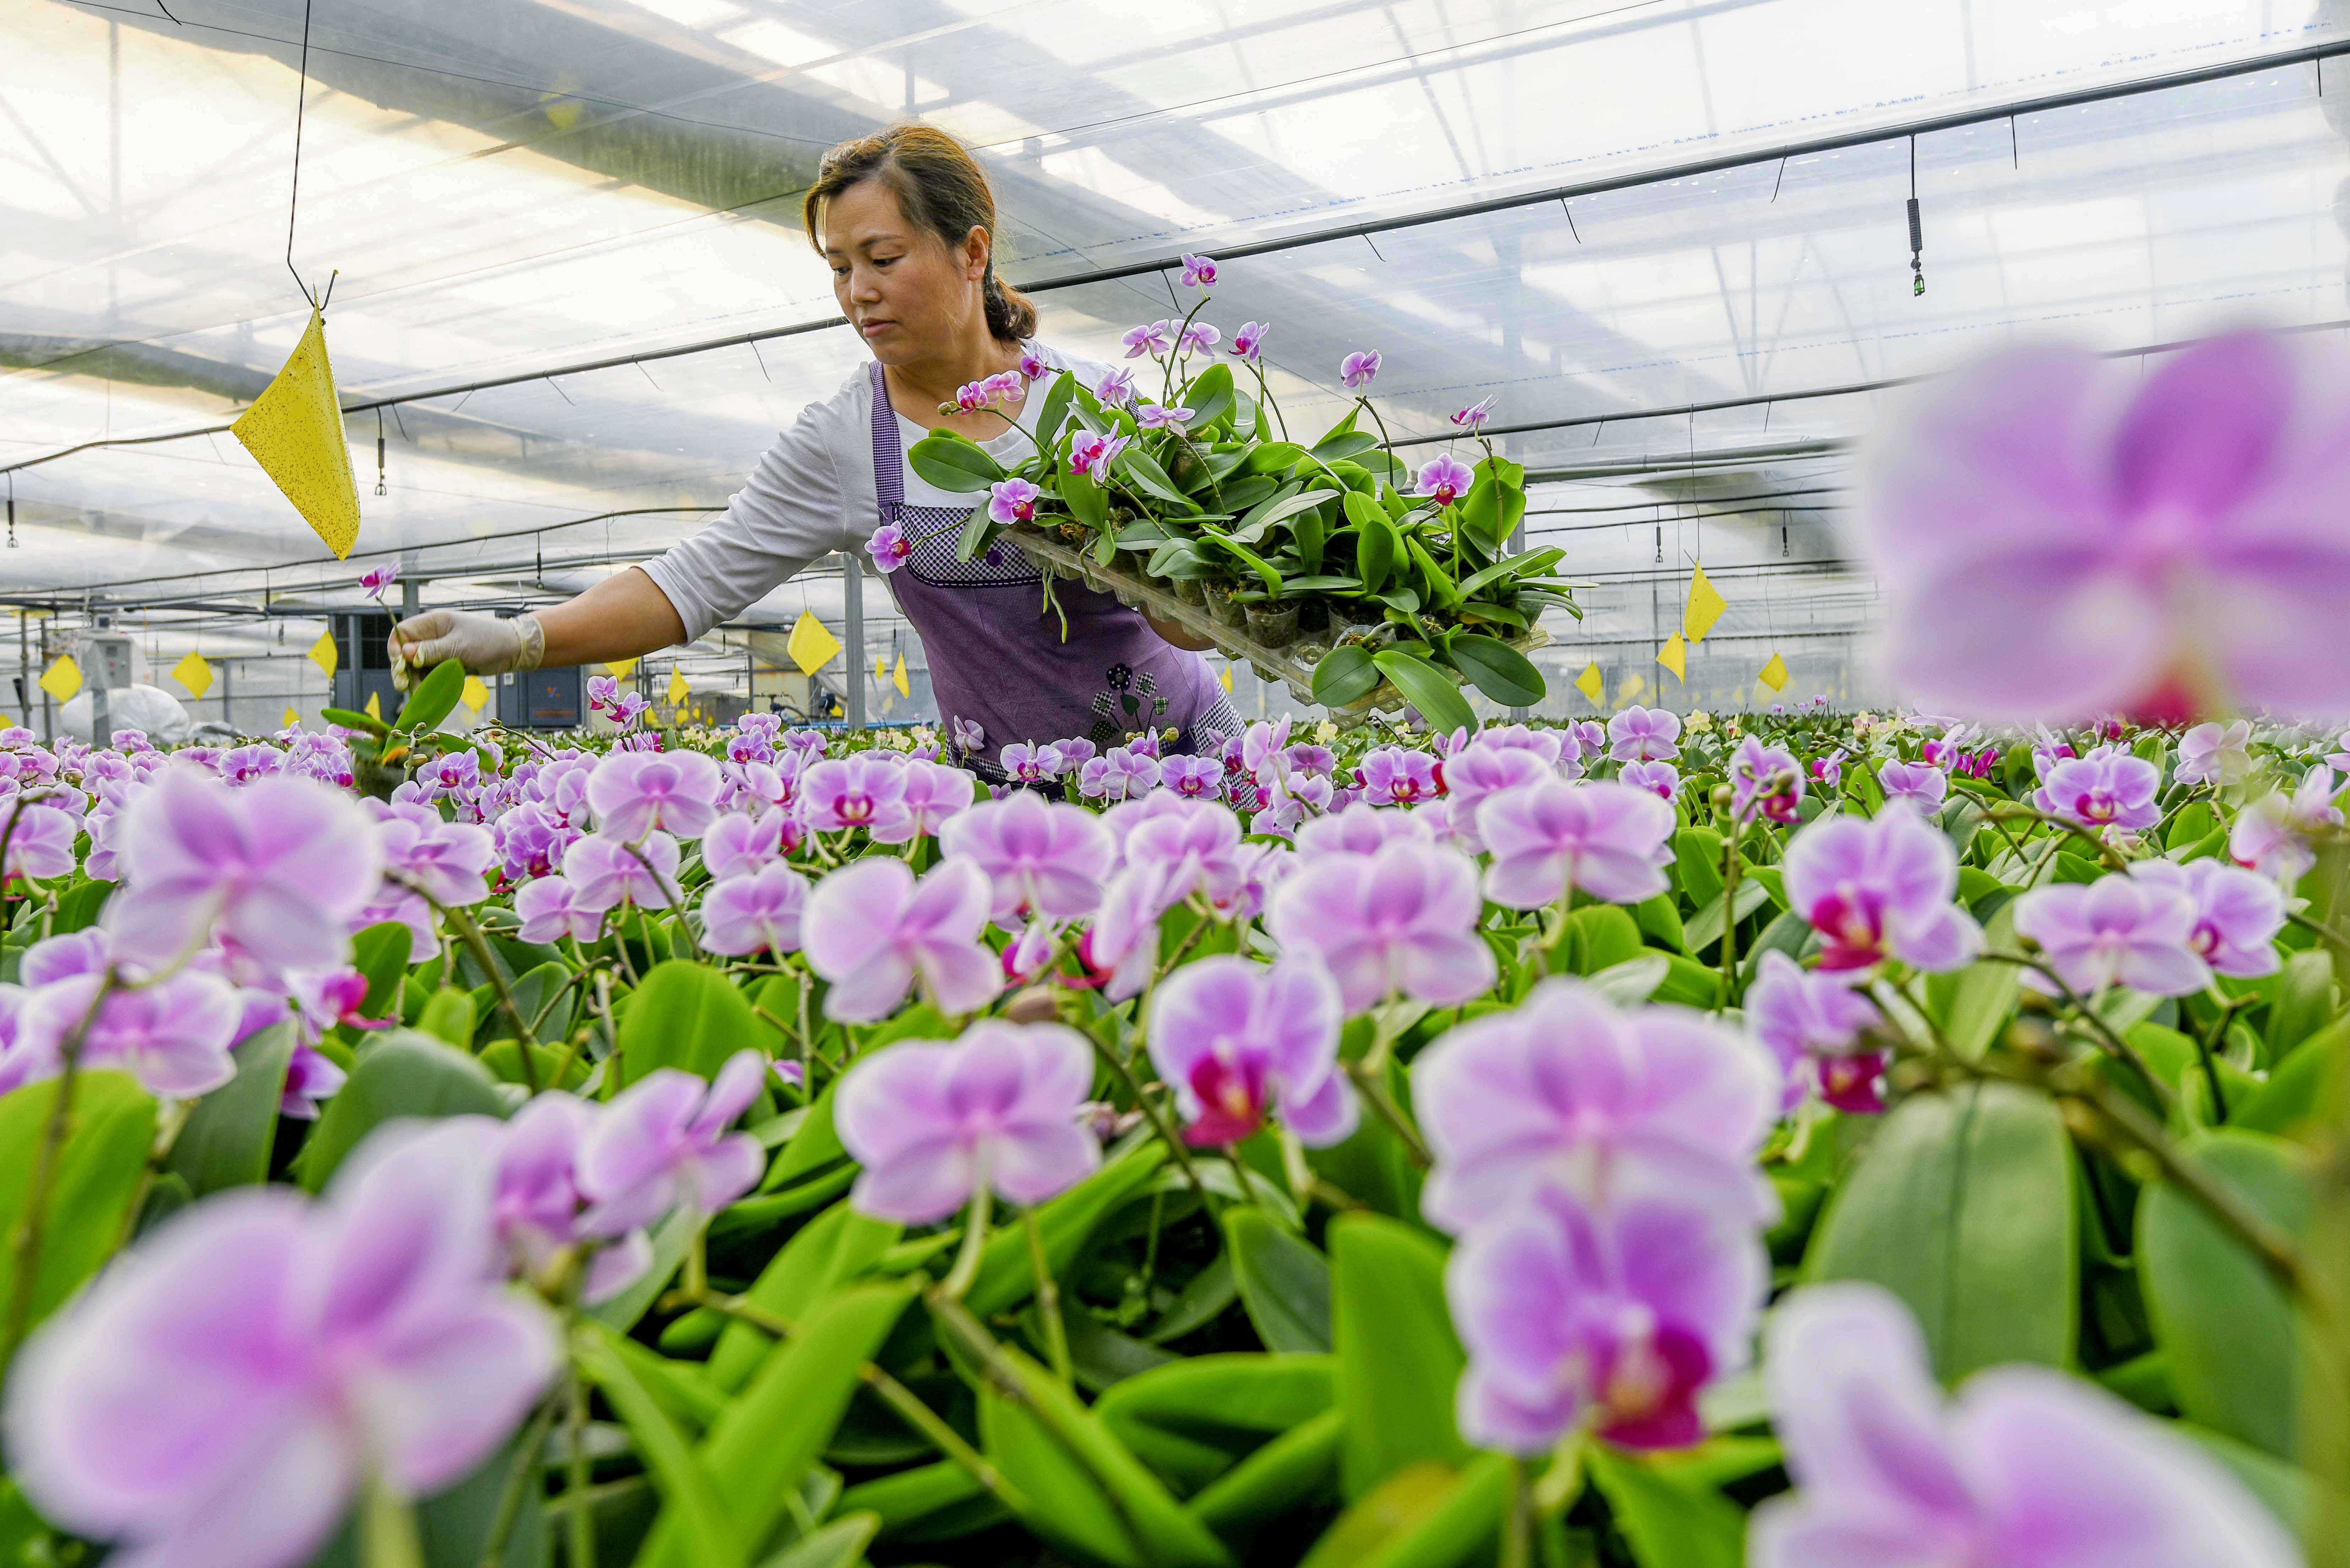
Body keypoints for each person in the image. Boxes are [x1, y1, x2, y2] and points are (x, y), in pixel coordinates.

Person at [387, 124, 1240, 774]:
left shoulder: (1096, 405)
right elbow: (694, 580)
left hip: (1190, 769)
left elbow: (1194, 625)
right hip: (1009, 800)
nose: (858, 293)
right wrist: (518, 639)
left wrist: (1188, 595)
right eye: (839, 267)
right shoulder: (844, 439)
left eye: (883, 257)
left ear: (971, 249)